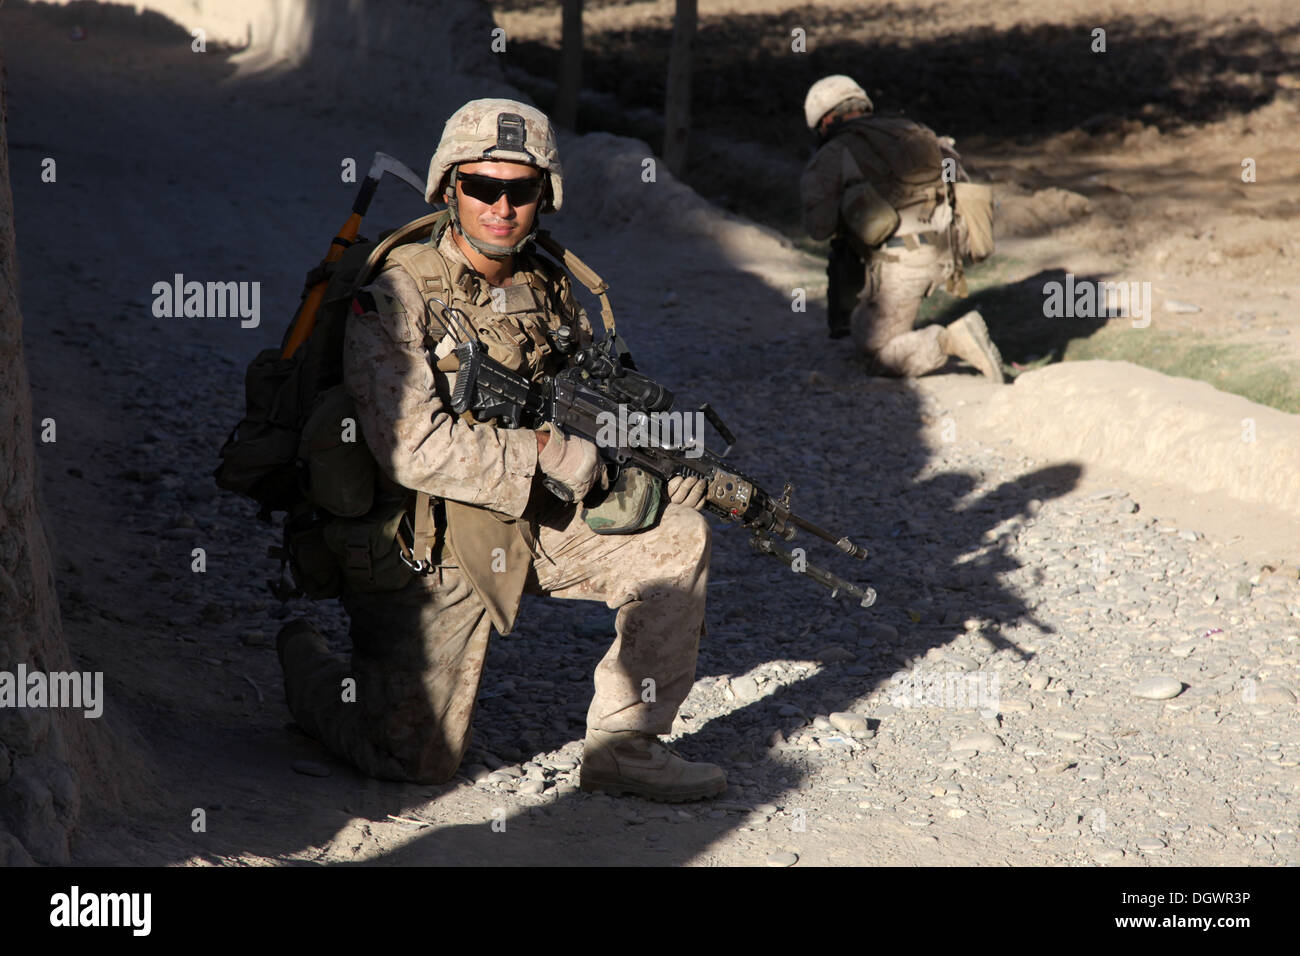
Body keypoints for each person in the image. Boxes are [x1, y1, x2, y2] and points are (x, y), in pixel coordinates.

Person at [274, 99, 725, 802]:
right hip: (425, 542)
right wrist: (542, 452)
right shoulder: (397, 294)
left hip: (532, 519)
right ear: (450, 187)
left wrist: (656, 470)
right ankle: (308, 666)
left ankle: (625, 745)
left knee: (676, 539)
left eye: (521, 190)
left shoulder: (549, 285)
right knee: (415, 760)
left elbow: (589, 403)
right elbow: (410, 446)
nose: (502, 206)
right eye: (483, 186)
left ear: (544, 196)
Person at [800, 75, 1005, 382]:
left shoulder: (835, 151)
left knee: (880, 357)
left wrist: (850, 206)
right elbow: (960, 180)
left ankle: (951, 339)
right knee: (861, 331)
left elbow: (819, 228)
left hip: (906, 261)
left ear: (827, 119)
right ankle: (898, 325)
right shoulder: (914, 131)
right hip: (951, 242)